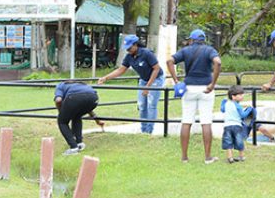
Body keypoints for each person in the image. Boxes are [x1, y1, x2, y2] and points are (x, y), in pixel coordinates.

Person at [167, 29, 222, 164]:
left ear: (191, 40)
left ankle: (184, 157)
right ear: (203, 40)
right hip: (206, 88)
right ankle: (208, 157)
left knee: (186, 121)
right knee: (206, 122)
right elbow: (218, 62)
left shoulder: (185, 50)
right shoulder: (209, 50)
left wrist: (176, 81)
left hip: (189, 88)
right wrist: (213, 83)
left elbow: (169, 61)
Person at [97, 34, 165, 134]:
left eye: (129, 47)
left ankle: (149, 131)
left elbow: (156, 68)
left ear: (135, 45)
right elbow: (121, 70)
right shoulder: (129, 57)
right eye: (126, 48)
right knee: (142, 105)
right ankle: (144, 129)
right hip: (143, 80)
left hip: (155, 79)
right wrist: (105, 77)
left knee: (151, 105)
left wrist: (148, 86)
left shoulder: (146, 53)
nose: (128, 50)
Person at [54, 81, 100, 155]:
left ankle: (73, 147)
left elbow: (58, 100)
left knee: (62, 122)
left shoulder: (60, 85)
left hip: (75, 98)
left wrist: (61, 113)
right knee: (77, 116)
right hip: (94, 98)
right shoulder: (82, 84)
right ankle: (79, 143)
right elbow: (85, 98)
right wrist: (96, 119)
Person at [220, 87, 253, 163]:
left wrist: (223, 101)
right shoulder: (237, 106)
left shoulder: (227, 104)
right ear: (233, 96)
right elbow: (243, 115)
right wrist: (249, 109)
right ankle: (241, 156)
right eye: (240, 95)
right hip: (237, 125)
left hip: (227, 125)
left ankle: (230, 157)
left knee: (228, 140)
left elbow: (222, 109)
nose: (242, 96)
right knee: (239, 140)